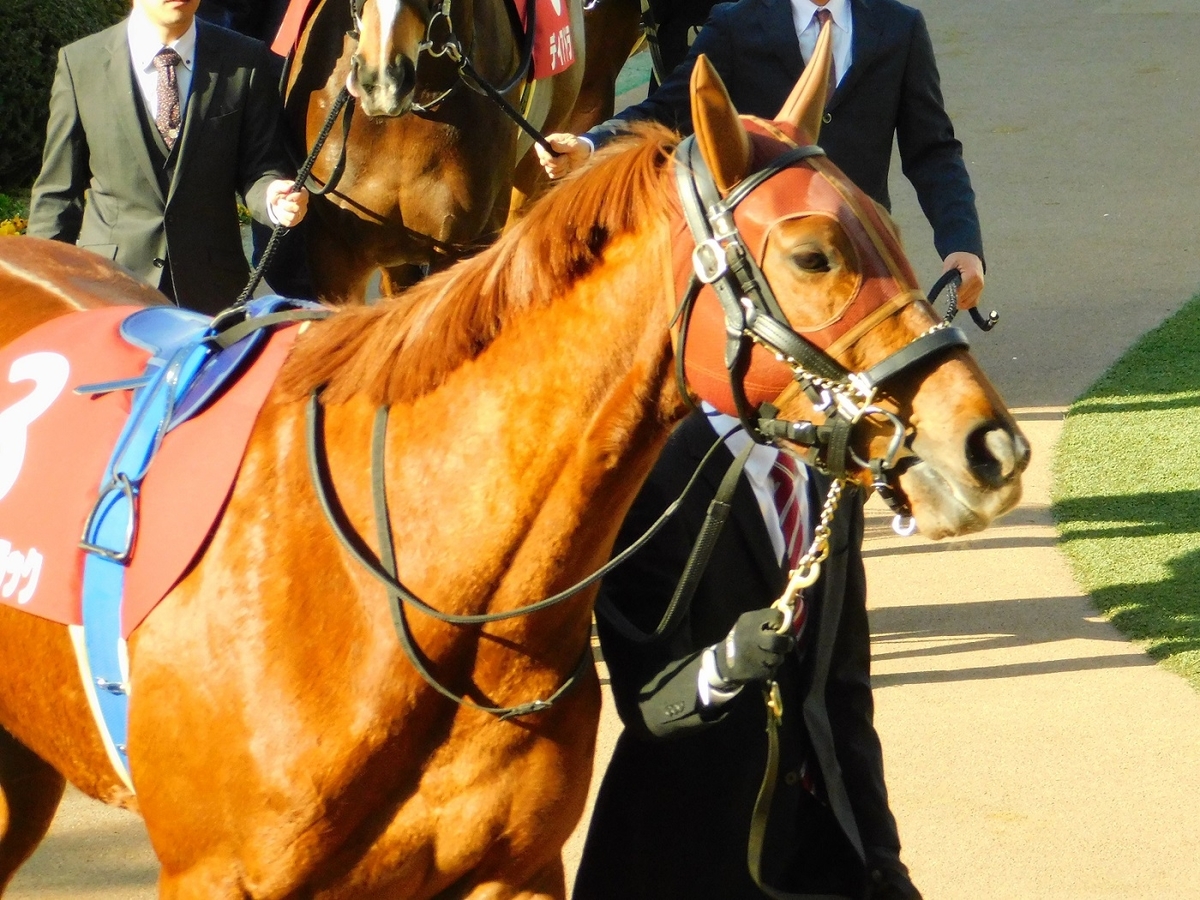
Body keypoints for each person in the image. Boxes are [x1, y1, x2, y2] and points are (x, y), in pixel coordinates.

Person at [574, 409, 921, 899]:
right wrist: (726, 663)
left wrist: (881, 857)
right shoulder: (656, 473)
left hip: (817, 848)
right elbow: (646, 702)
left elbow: (843, 692)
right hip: (685, 854)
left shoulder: (832, 478)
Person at [538, 0, 986, 309]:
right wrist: (591, 145)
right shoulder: (735, 24)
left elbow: (932, 152)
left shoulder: (900, 27)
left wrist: (962, 246)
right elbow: (667, 110)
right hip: (765, 264)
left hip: (861, 256)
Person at [27, 0, 308, 316]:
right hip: (109, 290)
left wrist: (272, 197)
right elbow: (57, 194)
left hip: (213, 293)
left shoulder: (244, 59)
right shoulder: (82, 64)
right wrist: (37, 292)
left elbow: (262, 165)